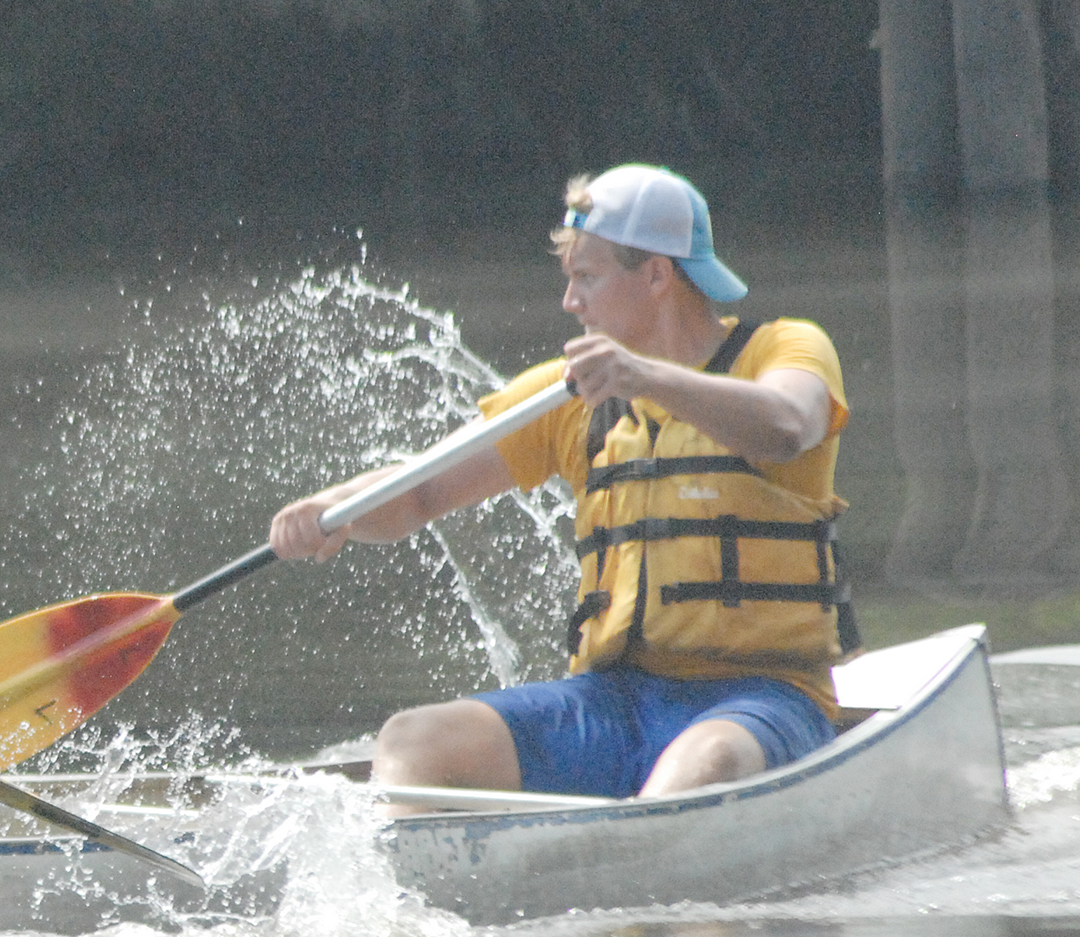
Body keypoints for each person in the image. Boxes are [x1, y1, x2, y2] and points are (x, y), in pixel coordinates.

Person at [270, 164, 854, 805]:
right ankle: (418, 892)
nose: (570, 303)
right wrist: (335, 511)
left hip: (762, 699)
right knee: (414, 740)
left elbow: (788, 426)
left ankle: (641, 868)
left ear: (657, 275)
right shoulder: (572, 394)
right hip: (612, 704)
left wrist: (645, 378)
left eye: (587, 278)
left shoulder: (785, 348)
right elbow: (418, 493)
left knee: (705, 762)